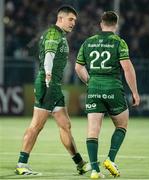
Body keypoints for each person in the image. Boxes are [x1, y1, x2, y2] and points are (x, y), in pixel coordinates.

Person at [15, 5, 91, 176]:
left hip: (54, 87)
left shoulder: (59, 35)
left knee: (65, 125)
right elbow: (49, 55)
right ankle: (22, 163)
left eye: (75, 21)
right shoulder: (53, 33)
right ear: (60, 18)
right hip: (47, 84)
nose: (73, 23)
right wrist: (48, 75)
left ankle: (80, 164)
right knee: (36, 126)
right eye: (71, 19)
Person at [75, 11, 140, 179]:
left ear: (101, 24)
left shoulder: (88, 42)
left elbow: (78, 67)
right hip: (113, 88)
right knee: (121, 125)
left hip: (94, 88)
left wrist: (89, 81)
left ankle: (95, 170)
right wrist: (134, 92)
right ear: (116, 25)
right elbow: (127, 68)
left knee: (92, 130)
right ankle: (110, 159)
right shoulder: (119, 42)